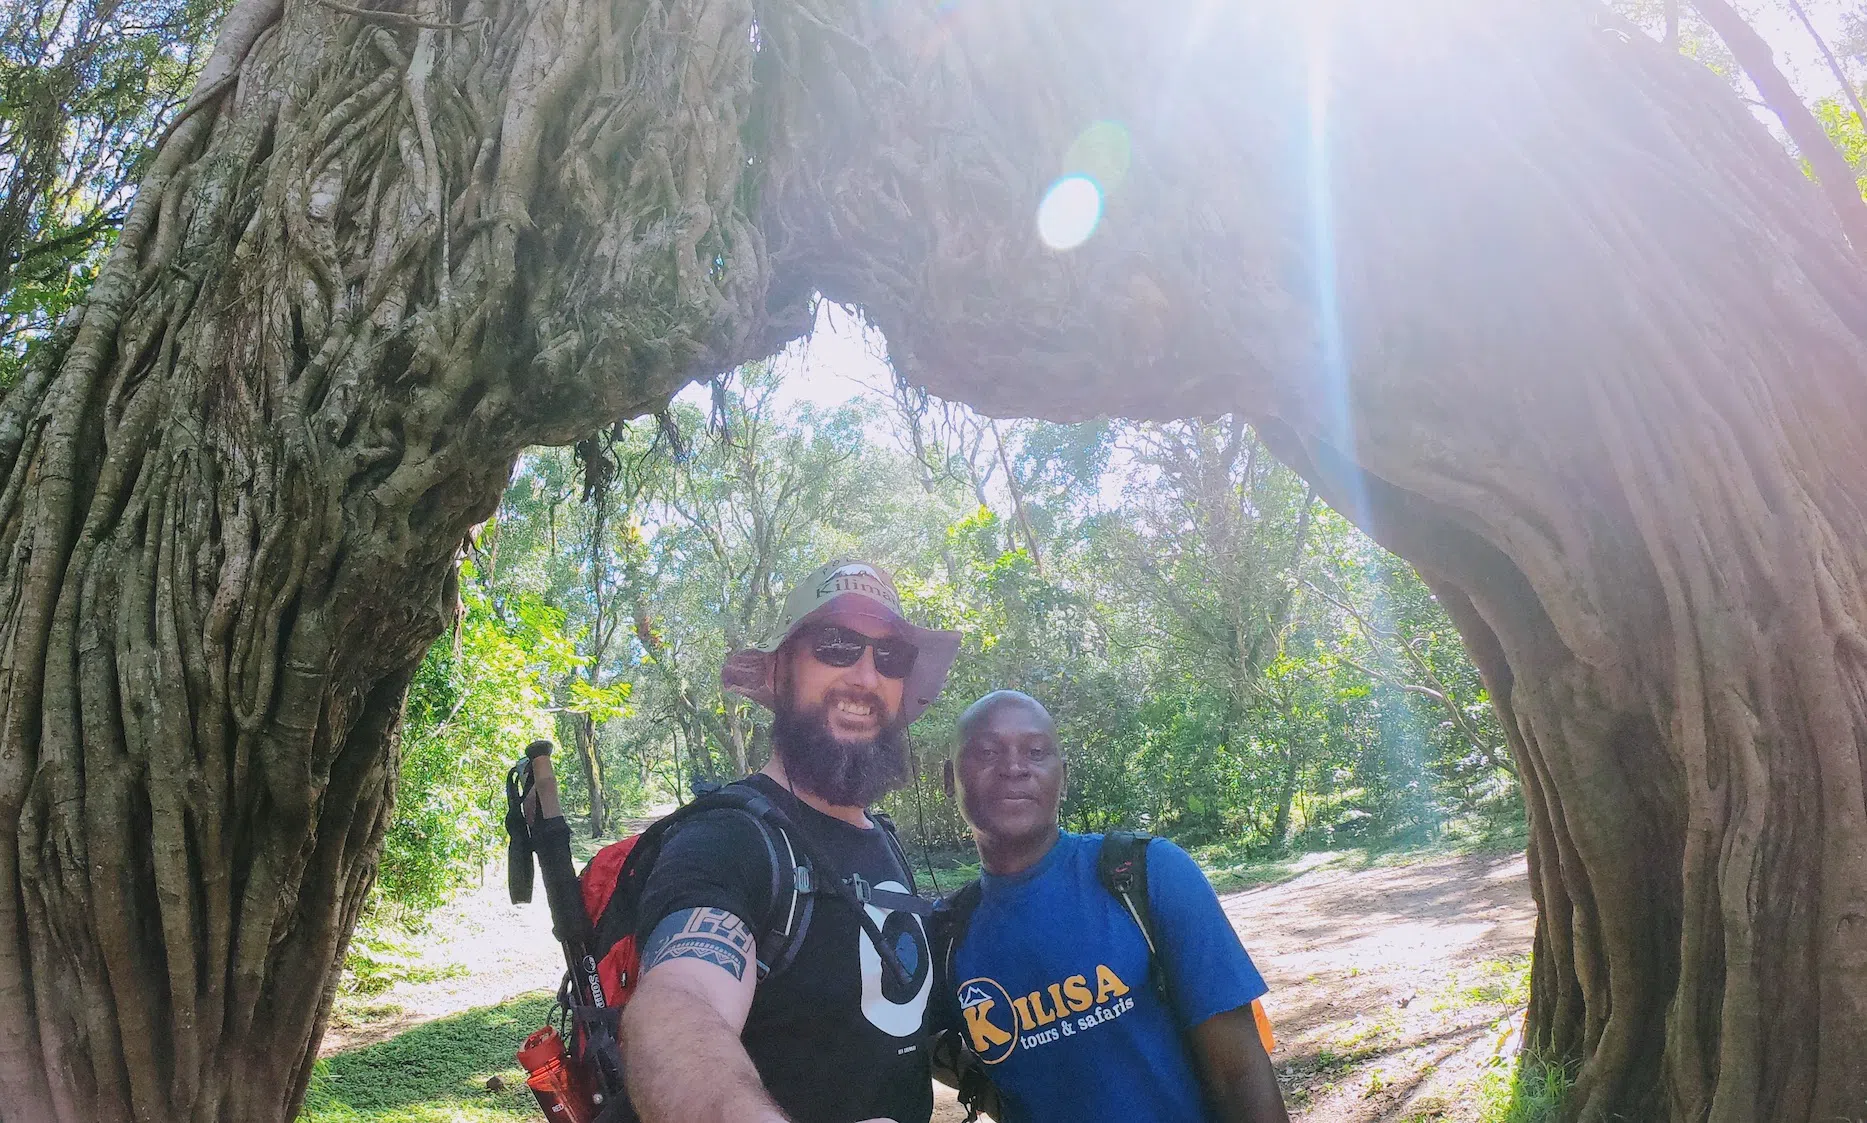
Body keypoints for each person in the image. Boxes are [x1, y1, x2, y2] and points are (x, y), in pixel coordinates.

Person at [619, 560, 962, 1123]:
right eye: (835, 645)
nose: (865, 677)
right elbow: (680, 1003)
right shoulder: (730, 837)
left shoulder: (884, 841)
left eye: (890, 657)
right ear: (780, 674)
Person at [934, 690, 1289, 1123]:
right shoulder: (947, 934)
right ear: (949, 778)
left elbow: (1240, 1075)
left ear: (1062, 778)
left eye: (1035, 752)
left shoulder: (1148, 873)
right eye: (988, 752)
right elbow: (914, 1045)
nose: (1014, 768)